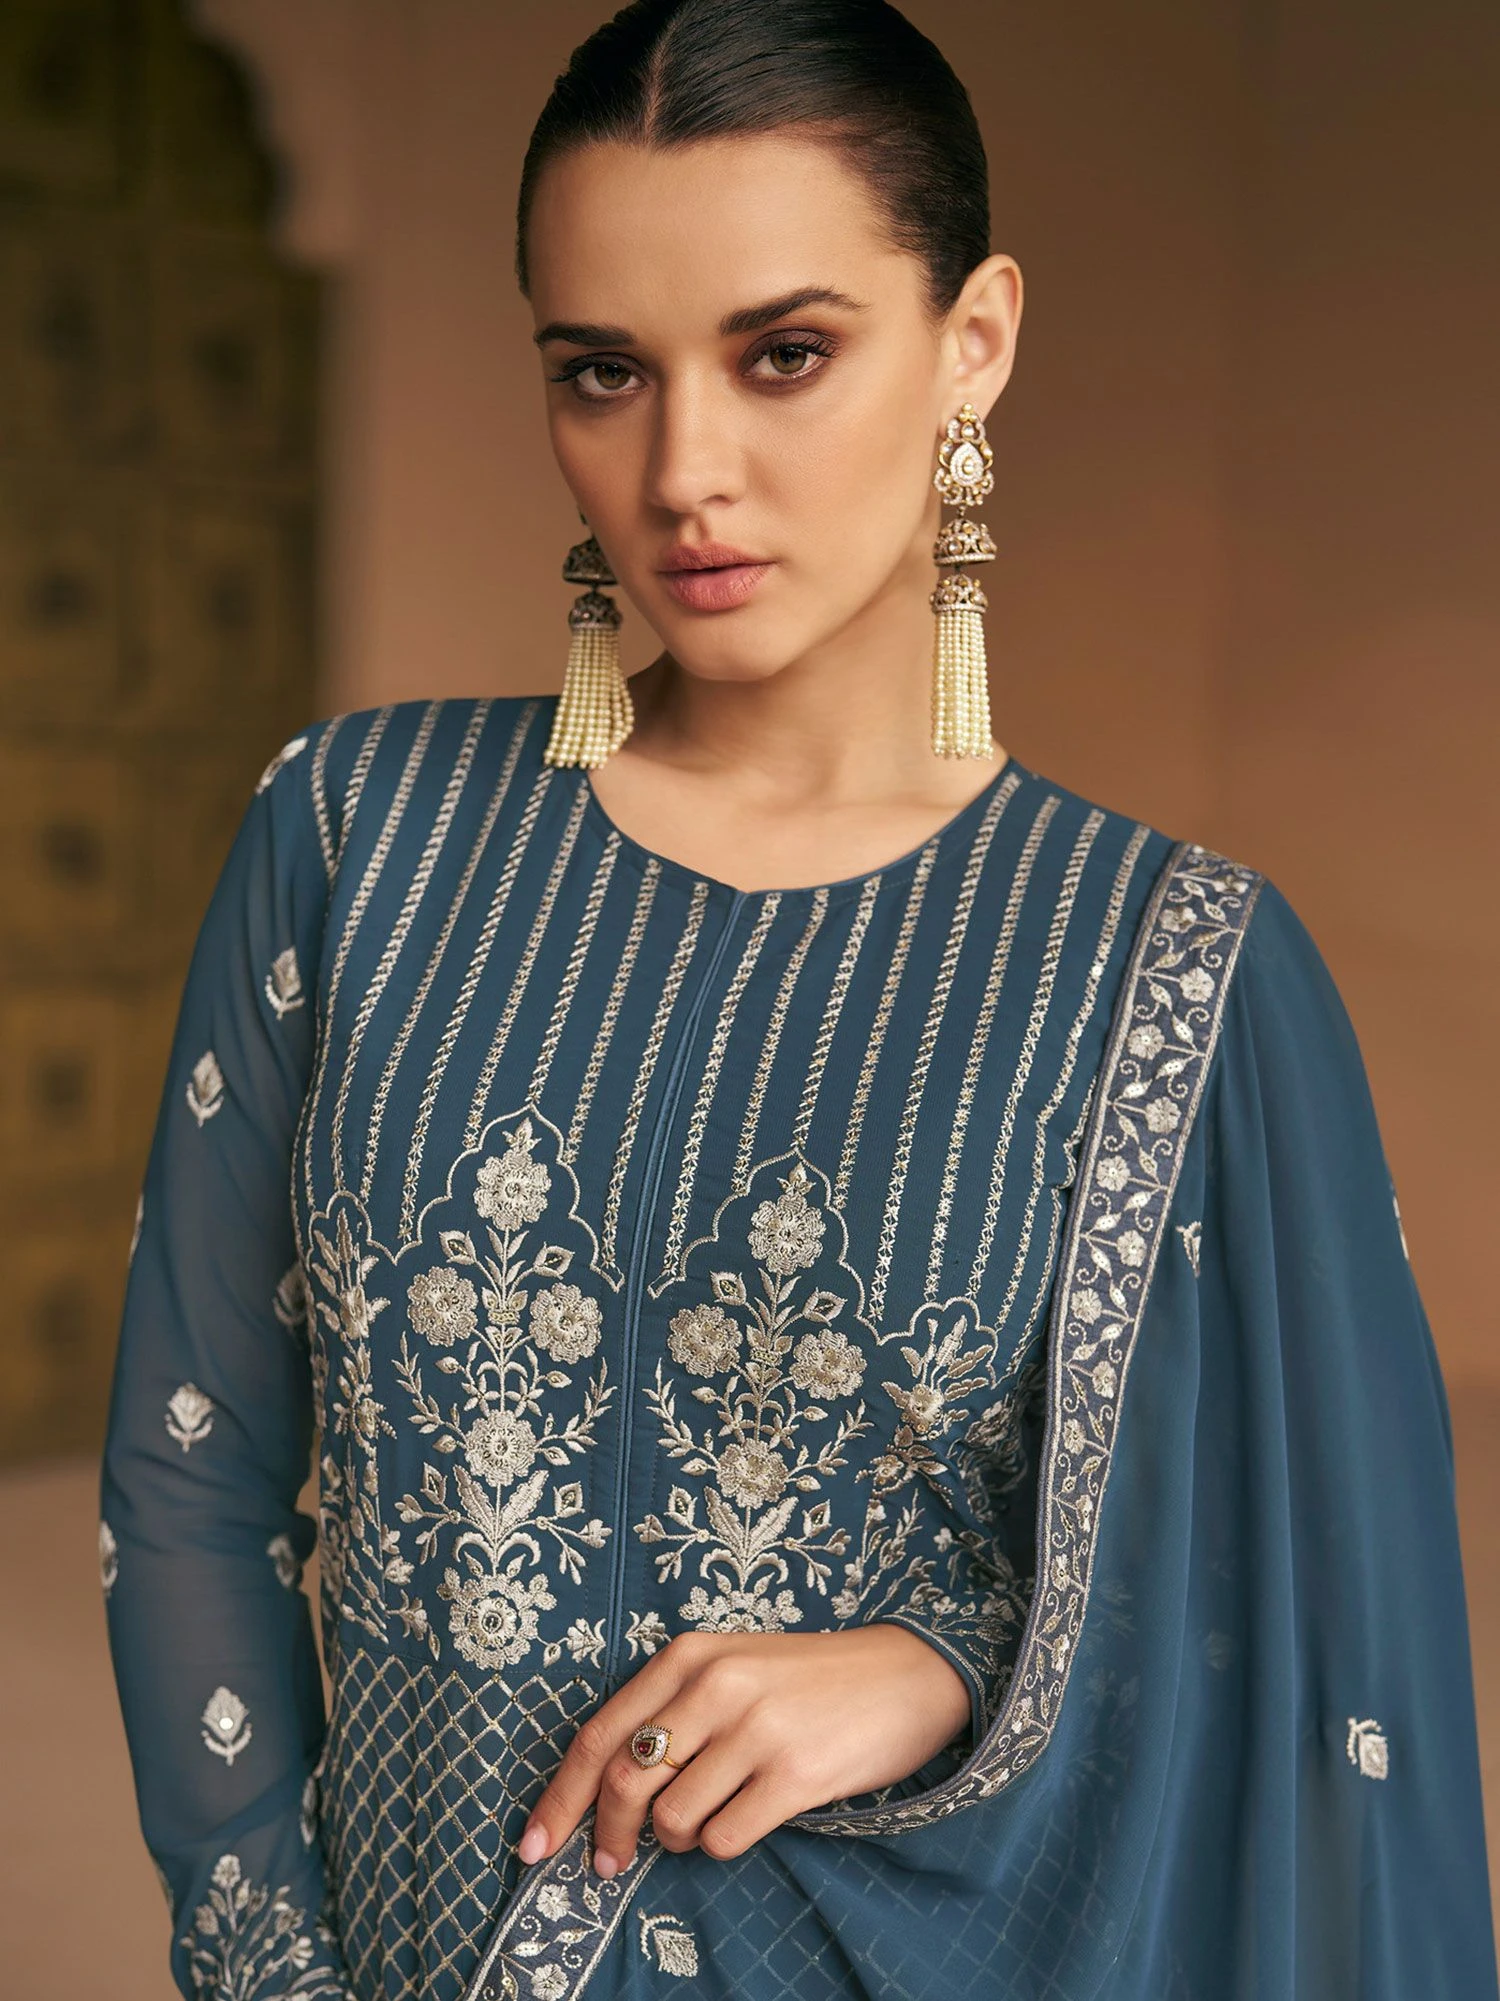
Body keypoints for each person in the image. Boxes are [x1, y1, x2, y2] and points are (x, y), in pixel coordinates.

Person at [99, 2, 1497, 1996]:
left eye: (785, 355)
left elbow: (1269, 1624)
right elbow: (190, 1467)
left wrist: (938, 1672)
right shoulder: (359, 836)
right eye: (602, 370)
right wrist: (264, 1966)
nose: (684, 471)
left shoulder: (1169, 967)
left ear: (973, 343)